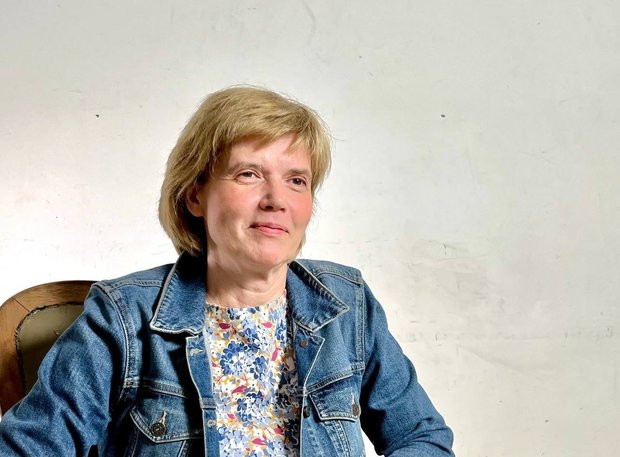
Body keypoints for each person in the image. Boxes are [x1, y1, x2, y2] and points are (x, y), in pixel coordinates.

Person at [0, 86, 454, 456]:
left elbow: (423, 437)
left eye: (296, 180)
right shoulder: (123, 318)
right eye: (249, 174)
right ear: (195, 195)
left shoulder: (347, 304)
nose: (276, 199)